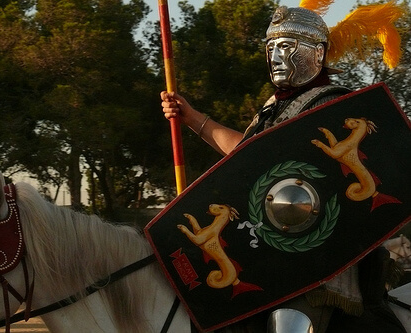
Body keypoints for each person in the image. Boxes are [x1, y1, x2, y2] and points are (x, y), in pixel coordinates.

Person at [161, 3, 405, 333]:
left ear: (317, 53)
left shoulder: (335, 104)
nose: (276, 56)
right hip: (266, 256)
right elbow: (244, 157)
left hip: (321, 265)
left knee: (288, 326)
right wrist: (192, 119)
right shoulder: (273, 108)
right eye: (271, 47)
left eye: (286, 47)